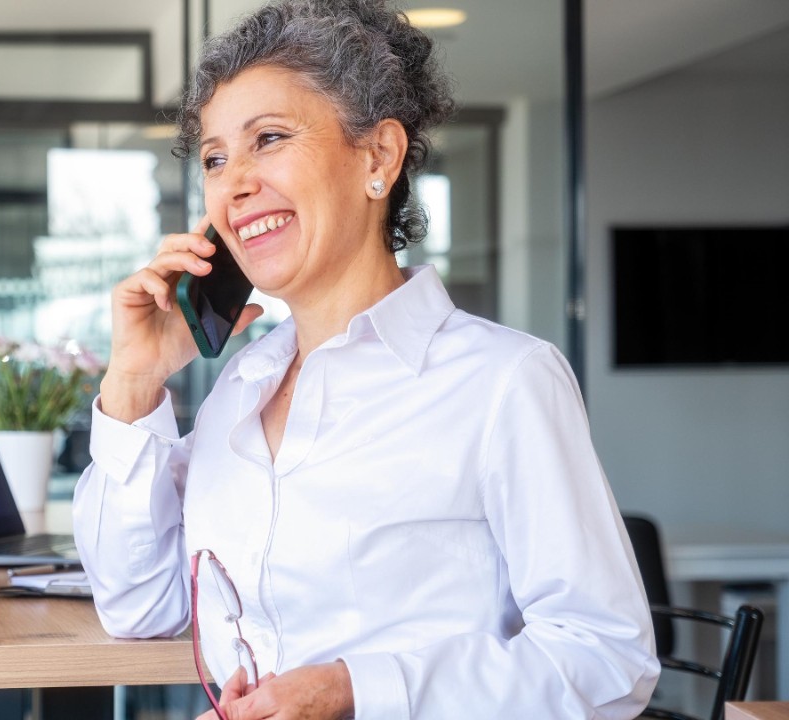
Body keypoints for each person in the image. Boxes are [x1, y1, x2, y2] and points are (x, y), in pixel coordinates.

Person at [72, 0, 660, 717]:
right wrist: (133, 384)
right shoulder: (242, 388)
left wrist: (355, 689)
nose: (234, 183)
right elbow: (141, 605)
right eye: (216, 158)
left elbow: (608, 659)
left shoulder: (504, 381)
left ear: (378, 156)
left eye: (270, 139)